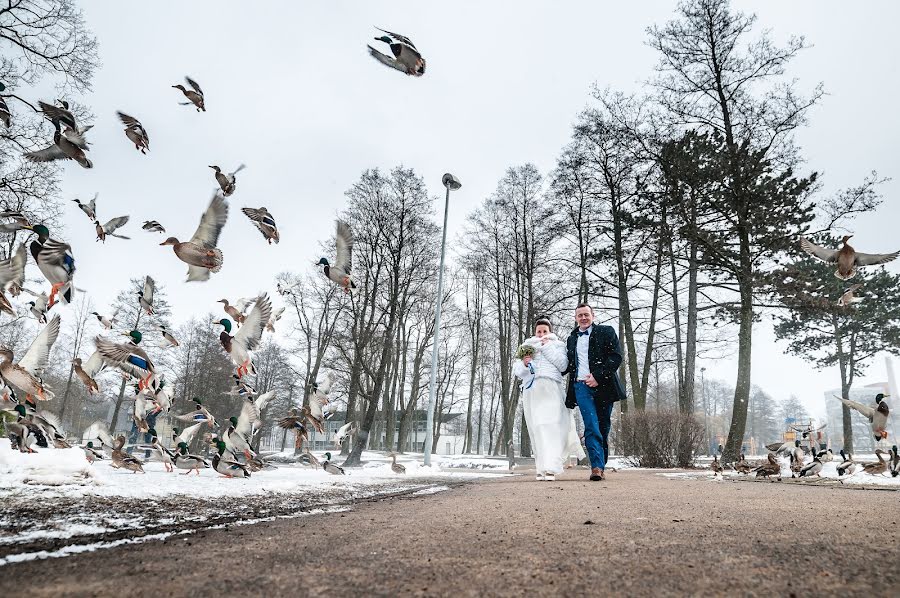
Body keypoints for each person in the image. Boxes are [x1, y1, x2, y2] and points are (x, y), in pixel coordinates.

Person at [564, 303, 625, 481]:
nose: (583, 318)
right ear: (576, 318)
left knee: (603, 427)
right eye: (579, 315)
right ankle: (596, 467)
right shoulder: (572, 338)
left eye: (586, 314)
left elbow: (616, 357)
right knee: (590, 425)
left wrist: (598, 376)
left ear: (593, 315)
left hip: (604, 386)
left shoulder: (606, 332)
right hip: (581, 387)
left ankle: (601, 464)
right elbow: (567, 363)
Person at [513, 317, 569, 481]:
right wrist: (524, 363)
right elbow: (518, 372)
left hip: (551, 388)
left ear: (550, 331)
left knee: (551, 427)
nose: (542, 334)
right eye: (539, 331)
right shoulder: (527, 346)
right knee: (537, 428)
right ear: (535, 332)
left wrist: (547, 348)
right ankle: (541, 467)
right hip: (533, 389)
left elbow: (563, 366)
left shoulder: (558, 345)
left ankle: (551, 467)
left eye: (545, 331)